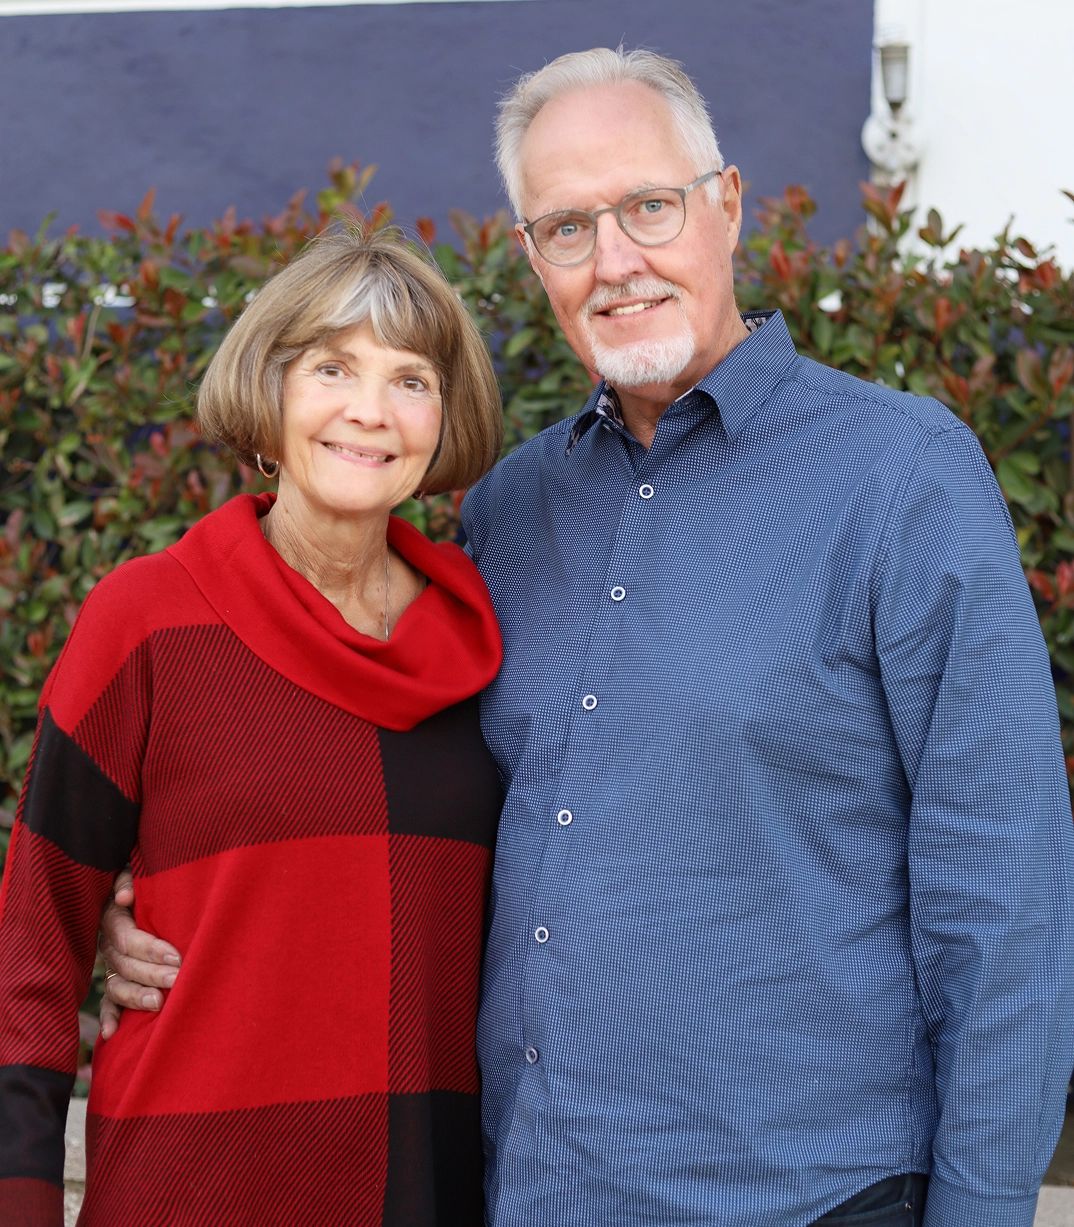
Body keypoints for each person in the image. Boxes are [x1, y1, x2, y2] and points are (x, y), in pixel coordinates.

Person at [98, 48, 1074, 1227]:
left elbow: (1004, 902)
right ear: (531, 258)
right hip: (535, 1189)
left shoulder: (903, 478)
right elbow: (386, 784)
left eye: (649, 206)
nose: (616, 262)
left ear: (725, 204)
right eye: (567, 227)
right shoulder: (508, 513)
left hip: (808, 1198)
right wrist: (155, 895)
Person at [0, 227, 506, 1226]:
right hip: (193, 1189)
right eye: (331, 367)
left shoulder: (486, 648)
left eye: (411, 379)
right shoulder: (148, 623)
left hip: (429, 1190)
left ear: (445, 419)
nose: (371, 410)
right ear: (267, 395)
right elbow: (31, 953)